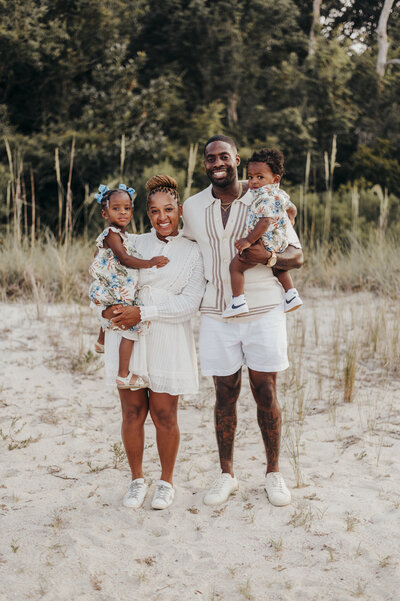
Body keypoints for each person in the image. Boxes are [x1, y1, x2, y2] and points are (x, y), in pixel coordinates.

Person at [183, 134, 303, 507]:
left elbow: (296, 256)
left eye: (224, 156)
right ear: (205, 164)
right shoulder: (191, 206)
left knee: (265, 391)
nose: (217, 162)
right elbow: (181, 251)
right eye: (210, 158)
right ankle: (226, 475)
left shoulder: (261, 194)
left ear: (236, 159)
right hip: (216, 312)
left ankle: (273, 474)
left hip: (264, 309)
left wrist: (266, 260)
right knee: (224, 394)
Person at [94, 175, 205, 510]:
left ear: (180, 210)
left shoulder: (192, 251)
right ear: (146, 213)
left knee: (164, 413)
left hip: (167, 337)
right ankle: (136, 479)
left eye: (168, 209)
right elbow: (107, 279)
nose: (162, 217)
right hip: (126, 334)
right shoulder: (132, 243)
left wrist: (143, 311)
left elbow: (189, 304)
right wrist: (108, 313)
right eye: (155, 211)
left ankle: (166, 481)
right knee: (131, 411)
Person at [89, 183, 169, 389]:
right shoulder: (111, 234)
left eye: (127, 208)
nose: (122, 212)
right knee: (131, 328)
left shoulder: (122, 235)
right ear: (105, 213)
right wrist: (150, 262)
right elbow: (124, 258)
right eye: (116, 208)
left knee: (116, 311)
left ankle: (101, 340)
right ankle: (123, 375)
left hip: (116, 288)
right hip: (113, 289)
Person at [222, 148, 302, 318]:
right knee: (278, 269)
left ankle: (238, 301)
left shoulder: (262, 196)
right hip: (278, 241)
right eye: (250, 177)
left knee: (235, 267)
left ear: (275, 178)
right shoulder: (279, 193)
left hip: (263, 240)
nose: (253, 182)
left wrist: (248, 241)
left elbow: (264, 221)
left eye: (260, 177)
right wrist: (292, 217)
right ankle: (291, 294)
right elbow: (292, 208)